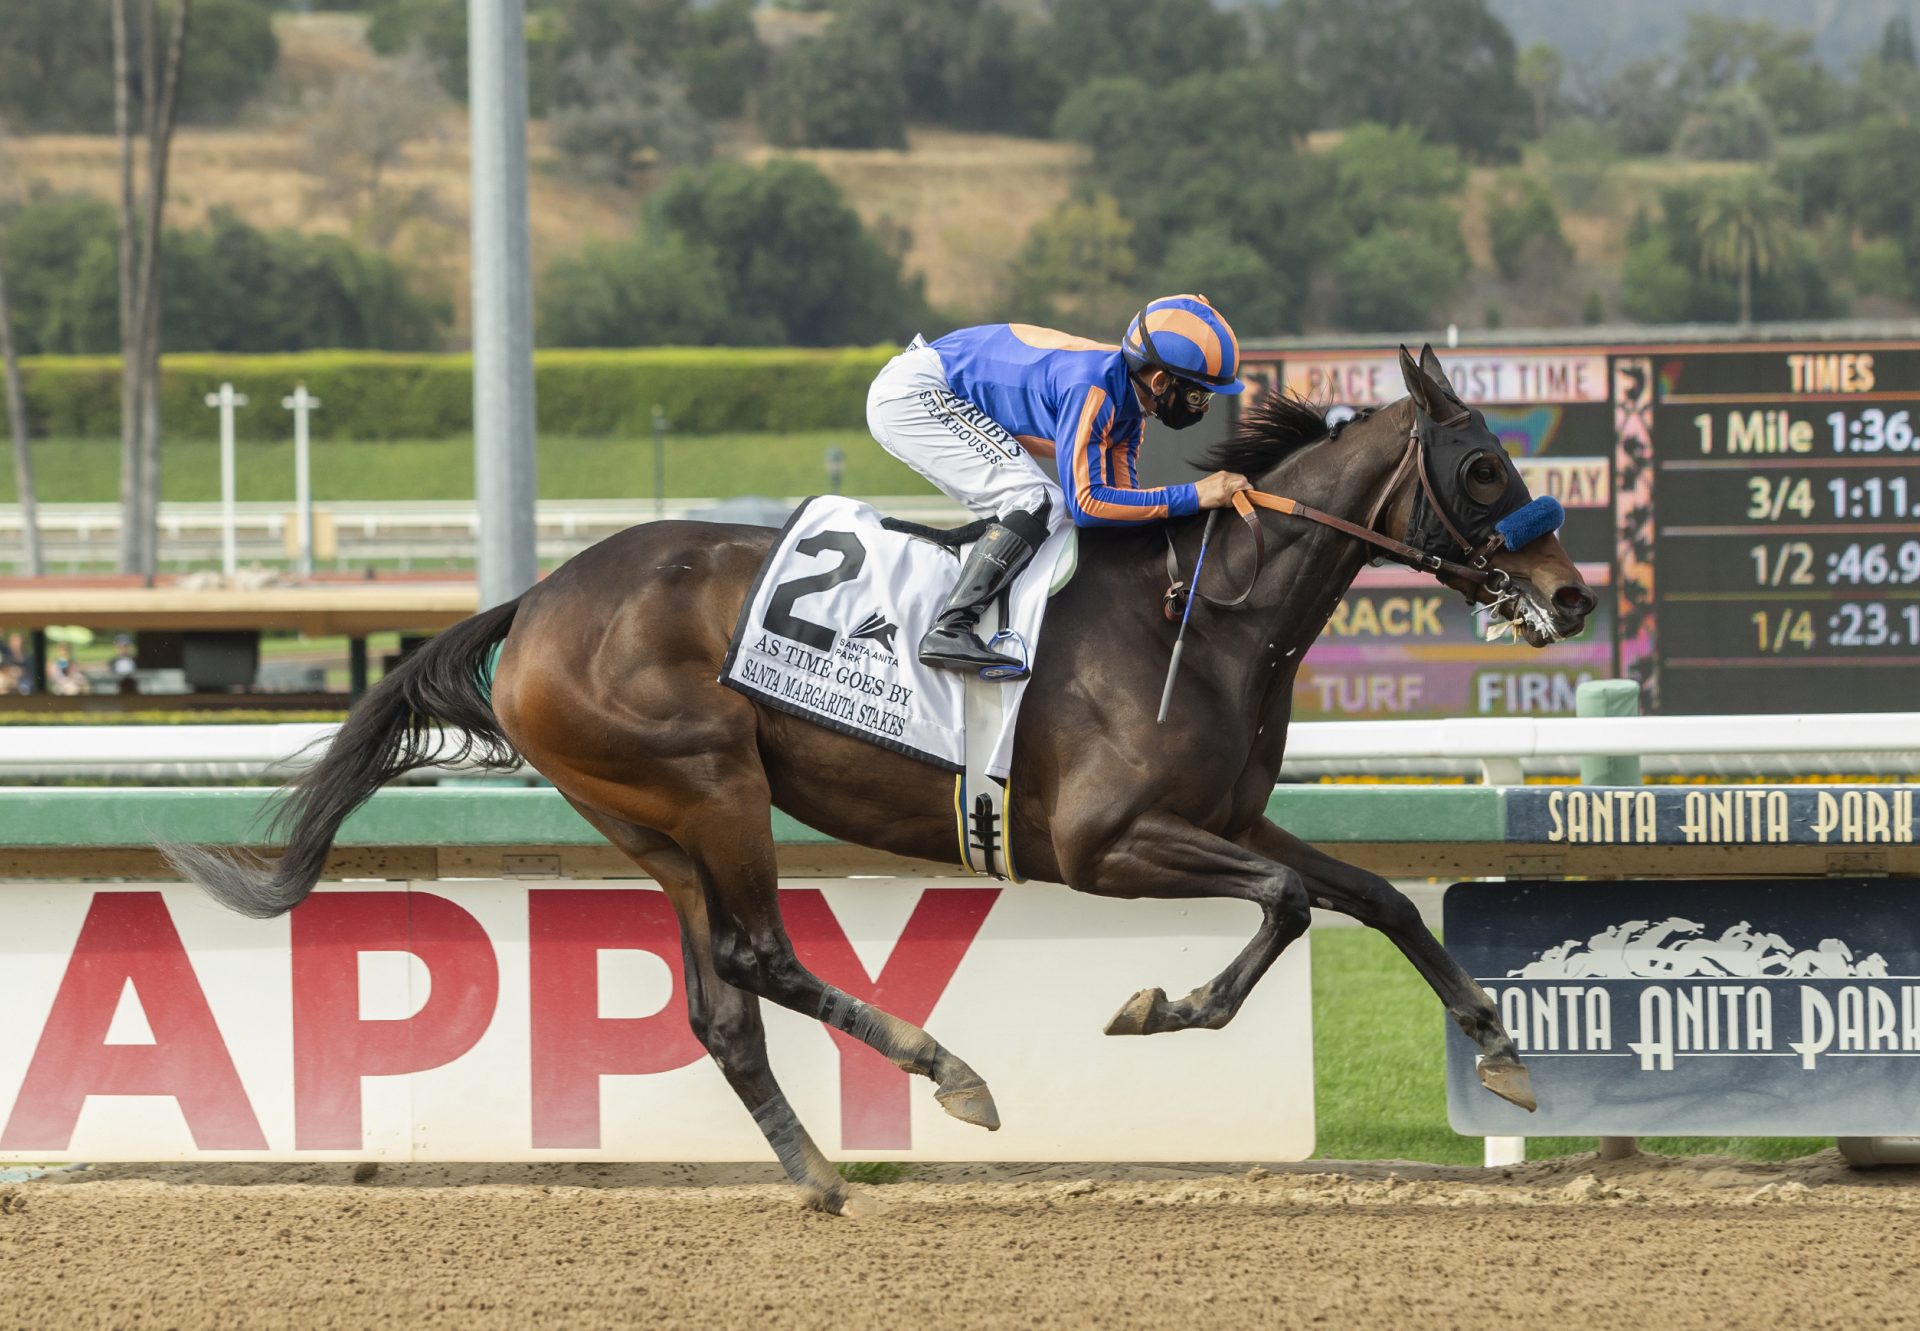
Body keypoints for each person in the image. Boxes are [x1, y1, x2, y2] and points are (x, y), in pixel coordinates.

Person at [866, 294, 1255, 673]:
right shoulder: (1094, 389)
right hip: (916, 392)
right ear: (1158, 381)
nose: (1203, 407)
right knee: (1038, 499)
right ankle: (950, 627)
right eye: (1197, 394)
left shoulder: (1129, 412)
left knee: (1046, 506)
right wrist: (1195, 495)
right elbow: (1088, 505)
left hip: (935, 385)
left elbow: (1124, 508)